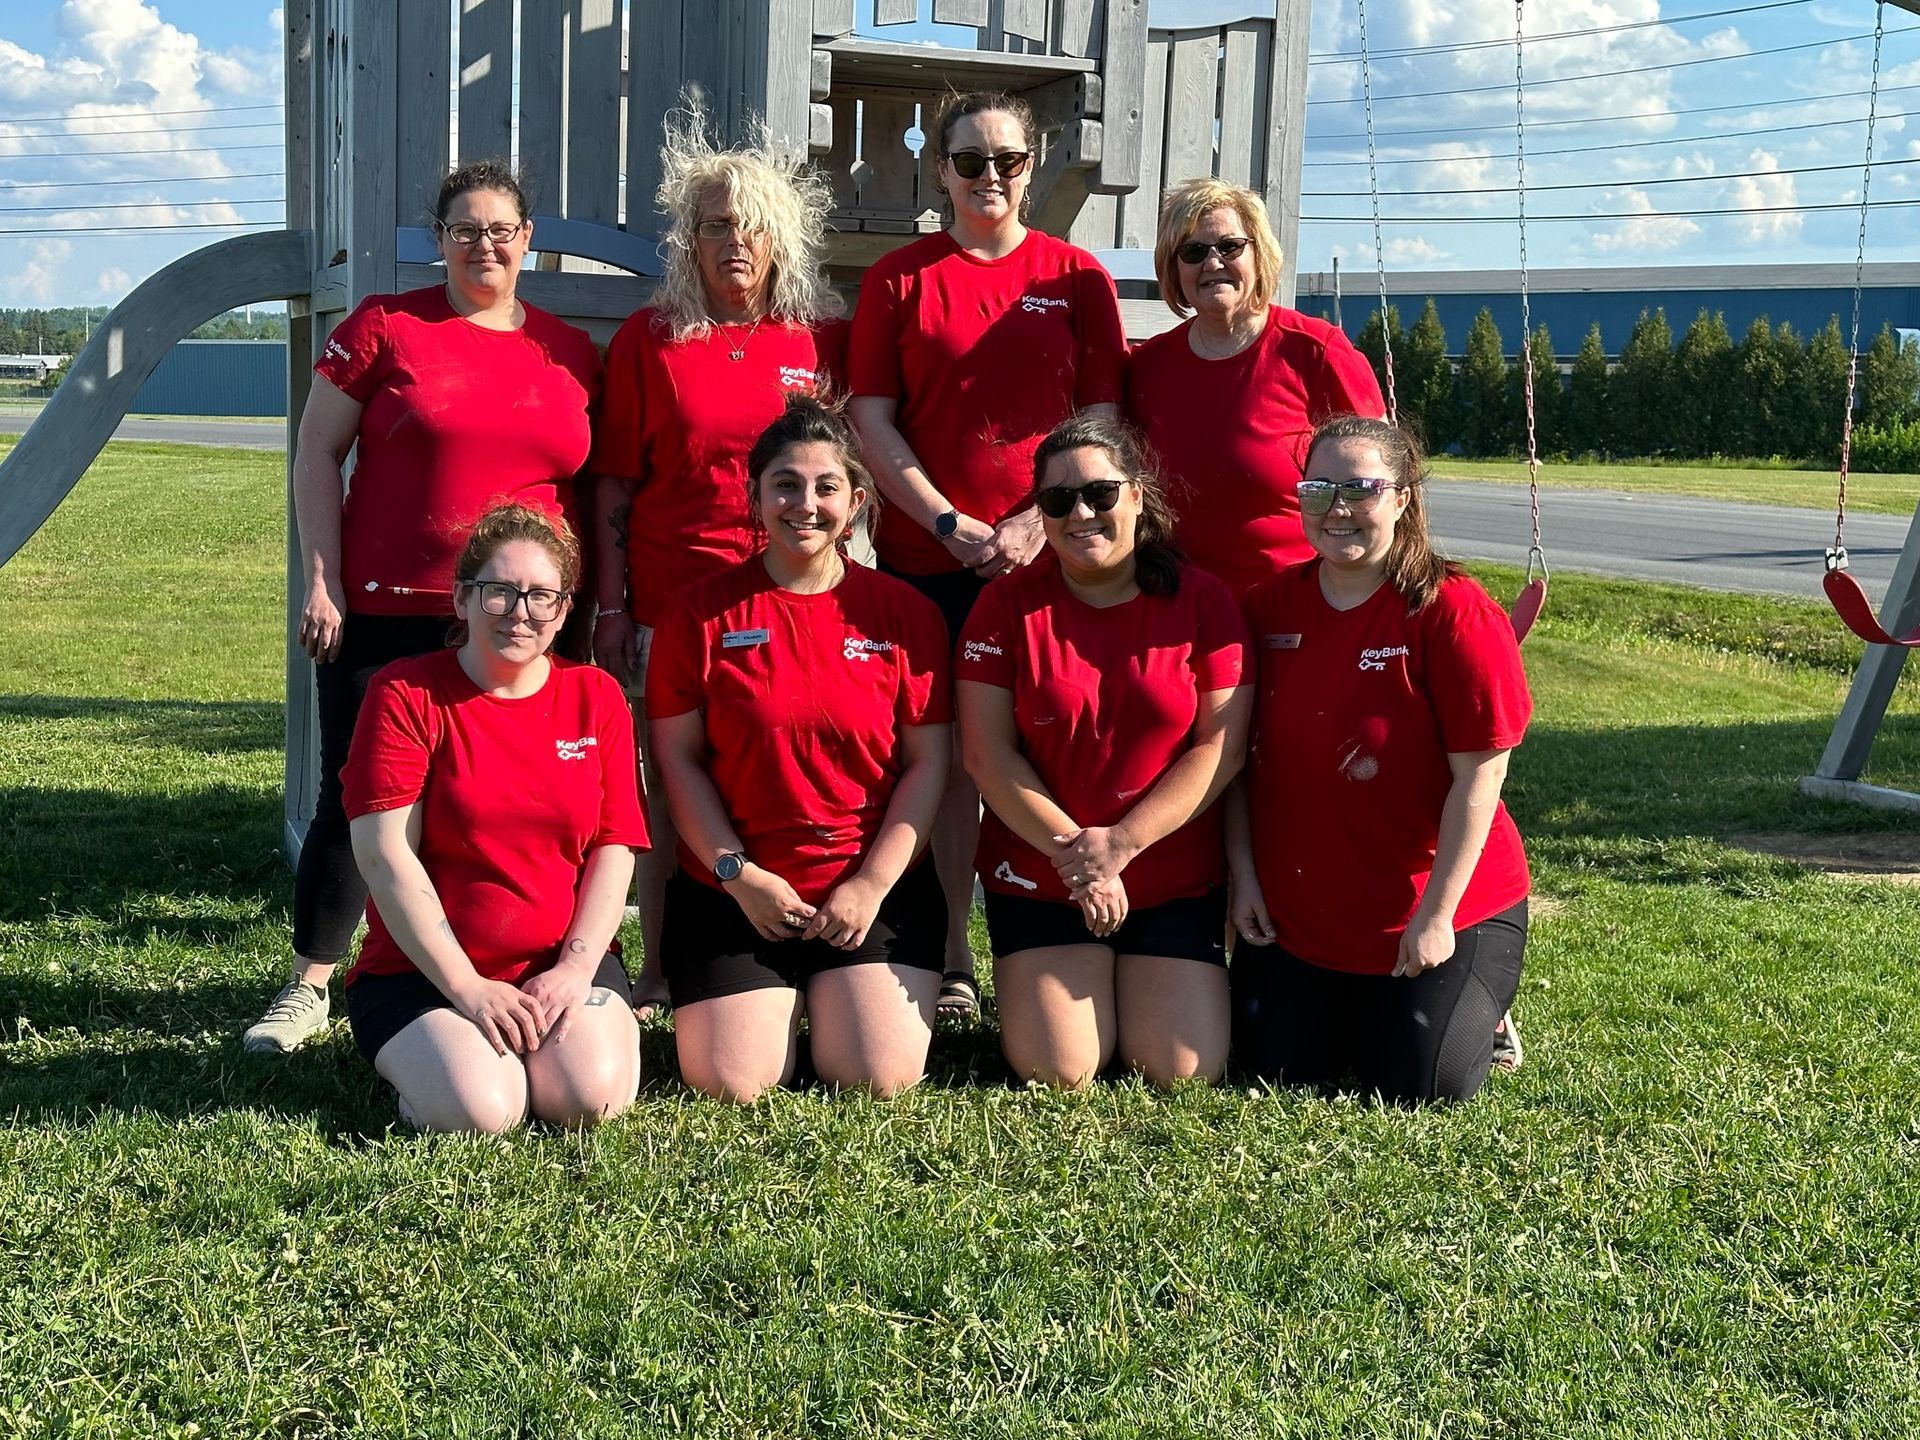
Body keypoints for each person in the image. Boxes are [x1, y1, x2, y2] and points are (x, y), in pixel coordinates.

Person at [244, 160, 603, 1054]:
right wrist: (321, 581)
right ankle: (313, 981)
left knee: (521, 798)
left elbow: (593, 493)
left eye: (502, 228)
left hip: (524, 618)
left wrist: (595, 605)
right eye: (464, 229)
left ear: (529, 239)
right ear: (439, 241)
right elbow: (316, 454)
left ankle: (551, 962)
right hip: (388, 607)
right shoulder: (386, 327)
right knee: (357, 796)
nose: (485, 244)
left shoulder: (570, 351)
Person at [849, 90, 1129, 1019]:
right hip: (930, 565)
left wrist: (1028, 522)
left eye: (1008, 159)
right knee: (947, 763)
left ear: (1033, 163)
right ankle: (952, 952)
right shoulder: (898, 279)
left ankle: (1080, 925)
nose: (991, 178)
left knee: (1060, 745)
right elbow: (872, 419)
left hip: (1057, 560)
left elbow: (1100, 421)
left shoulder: (1077, 276)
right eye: (971, 161)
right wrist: (946, 524)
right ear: (941, 170)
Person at [591, 107, 848, 1020]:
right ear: (689, 240)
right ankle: (660, 966)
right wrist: (614, 609)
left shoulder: (818, 339)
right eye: (712, 225)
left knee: (786, 774)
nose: (732, 242)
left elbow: (843, 472)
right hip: (676, 604)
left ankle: (819, 950)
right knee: (669, 789)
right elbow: (616, 485)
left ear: (780, 236)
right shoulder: (652, 341)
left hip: (800, 603)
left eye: (748, 225)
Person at [647, 397, 951, 1102]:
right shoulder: (697, 612)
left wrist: (871, 886)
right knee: (733, 1083)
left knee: (878, 1076)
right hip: (738, 889)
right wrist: (736, 871)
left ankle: (837, 998)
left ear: (858, 501)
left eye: (825, 487)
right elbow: (678, 762)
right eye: (785, 483)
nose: (804, 504)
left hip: (870, 890)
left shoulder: (906, 614)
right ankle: (783, 998)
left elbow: (929, 764)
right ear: (754, 495)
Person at [1228, 415, 1532, 1103]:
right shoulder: (1267, 607)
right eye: (1317, 487)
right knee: (1273, 1069)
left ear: (1402, 497)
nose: (1337, 509)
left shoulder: (1454, 612)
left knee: (1423, 1085)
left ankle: (1483, 1012)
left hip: (1439, 905)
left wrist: (1438, 913)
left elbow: (1481, 776)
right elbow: (1237, 763)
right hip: (1305, 913)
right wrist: (1242, 878)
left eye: (1359, 488)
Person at [958, 415, 1252, 1088]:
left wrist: (1120, 845)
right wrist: (1082, 859)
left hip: (1171, 873)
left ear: (1139, 495)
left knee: (1181, 1070)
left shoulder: (1203, 601)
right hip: (1043, 870)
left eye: (1099, 493)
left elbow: (1222, 748)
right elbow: (986, 755)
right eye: (1057, 501)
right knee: (1060, 1069)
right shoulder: (1004, 607)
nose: (1080, 513)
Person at [340, 505, 648, 1131]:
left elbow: (616, 845)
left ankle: (530, 1056)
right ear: (461, 599)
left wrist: (574, 969)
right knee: (485, 1112)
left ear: (564, 612)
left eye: (541, 596)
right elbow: (384, 856)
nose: (519, 612)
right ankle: (447, 1067)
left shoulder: (597, 697)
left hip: (558, 965)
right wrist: (468, 989)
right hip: (425, 972)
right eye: (499, 592)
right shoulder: (406, 694)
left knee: (591, 1099)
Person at [1125, 177, 1383, 599]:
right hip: (1177, 608)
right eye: (1192, 252)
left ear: (1258, 254)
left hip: (1296, 607)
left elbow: (1386, 483)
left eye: (1229, 247)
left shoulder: (1315, 351)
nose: (1212, 263)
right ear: (1175, 270)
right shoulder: (1146, 367)